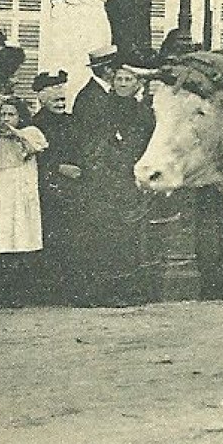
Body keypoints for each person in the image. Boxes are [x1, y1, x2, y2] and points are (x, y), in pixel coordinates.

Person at [66, 63, 156, 307]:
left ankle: (127, 290)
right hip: (106, 179)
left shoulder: (143, 111)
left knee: (128, 236)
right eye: (119, 79)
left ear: (137, 83)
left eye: (129, 80)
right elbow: (95, 142)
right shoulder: (104, 106)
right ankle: (104, 291)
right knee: (104, 235)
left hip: (130, 177)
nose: (123, 84)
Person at [0, 98, 47, 306]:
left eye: (11, 115)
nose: (6, 119)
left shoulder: (30, 133)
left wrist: (14, 133)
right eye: (2, 115)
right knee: (1, 235)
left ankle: (23, 292)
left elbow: (36, 146)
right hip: (0, 190)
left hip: (21, 191)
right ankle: (1, 294)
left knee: (22, 234)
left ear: (20, 116)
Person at [30, 71, 82, 304]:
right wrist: (58, 167)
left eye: (63, 99)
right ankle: (50, 292)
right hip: (49, 188)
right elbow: (36, 157)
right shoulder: (35, 125)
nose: (61, 104)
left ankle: (70, 289)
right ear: (42, 99)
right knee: (52, 238)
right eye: (55, 100)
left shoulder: (72, 121)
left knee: (73, 238)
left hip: (75, 186)